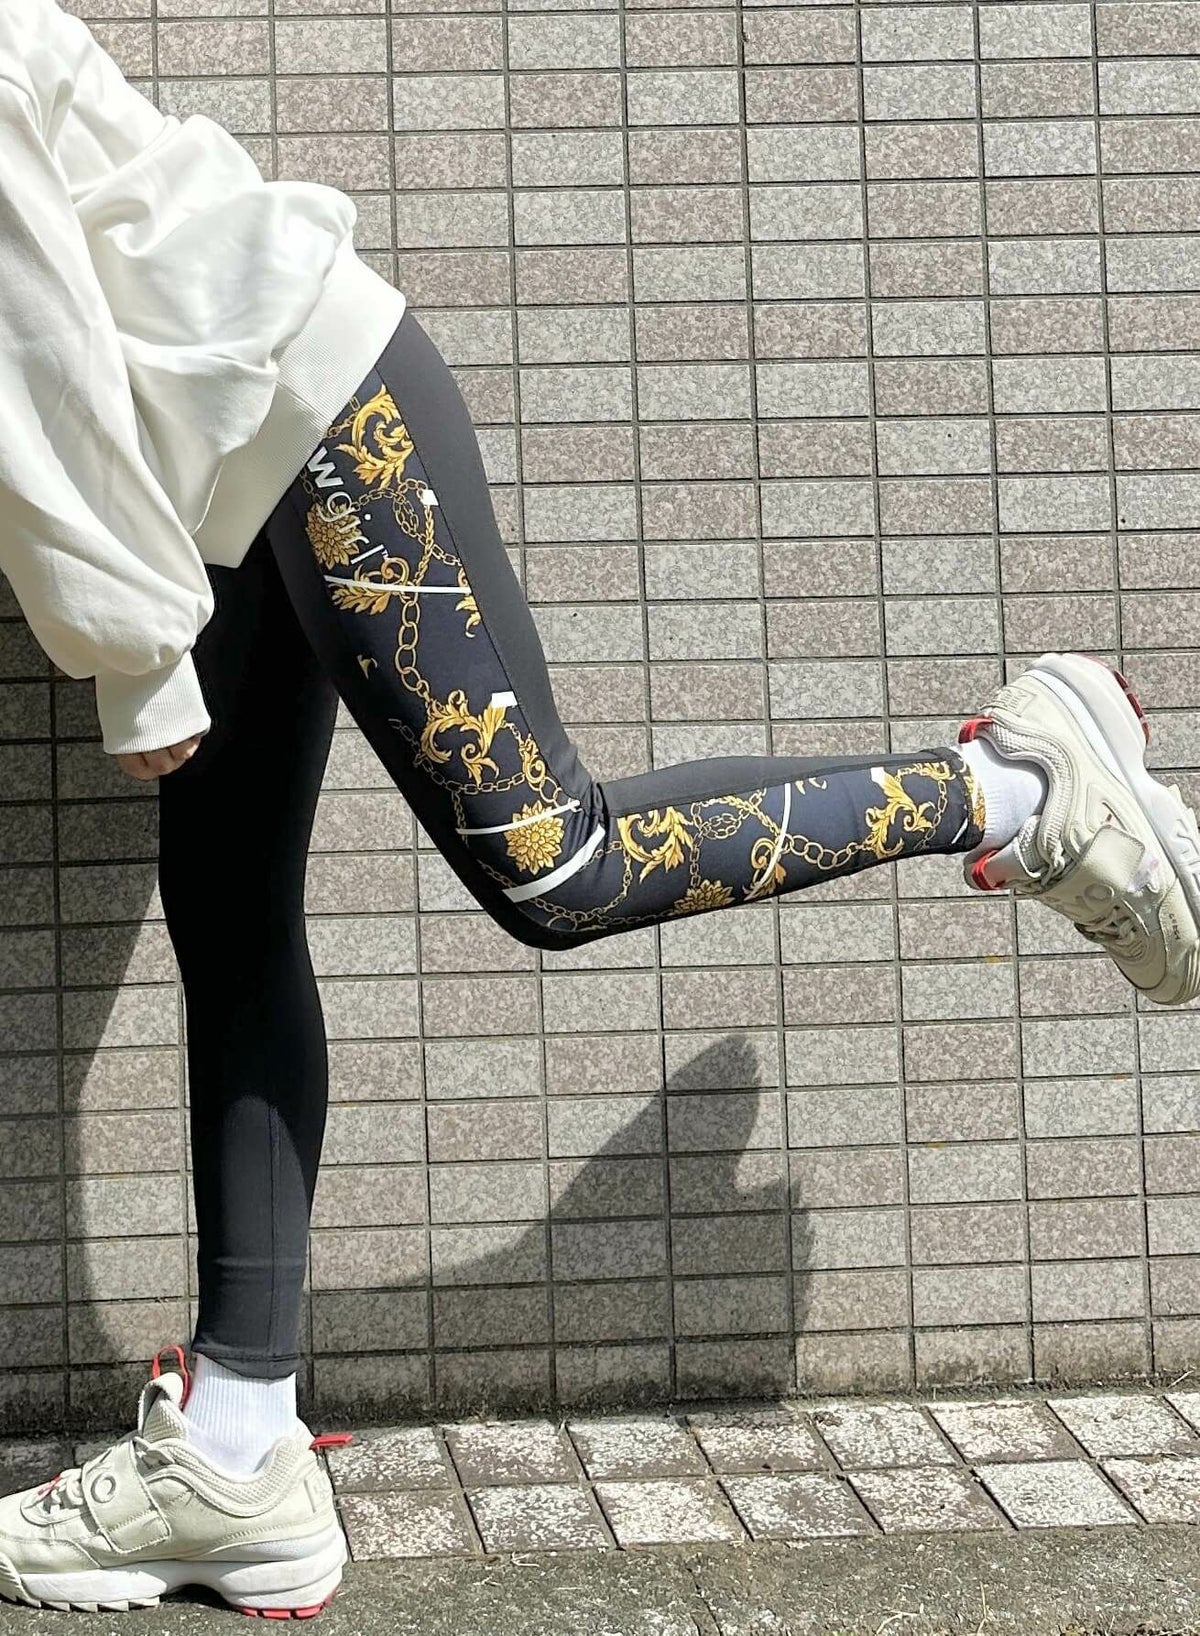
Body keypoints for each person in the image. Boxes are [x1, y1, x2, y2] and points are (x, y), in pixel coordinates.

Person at [0, 0, 1197, 1617]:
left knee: (552, 864)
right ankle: (238, 1444)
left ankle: (1017, 787)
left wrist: (135, 655)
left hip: (306, 414)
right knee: (228, 916)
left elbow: (35, 352)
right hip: (219, 472)